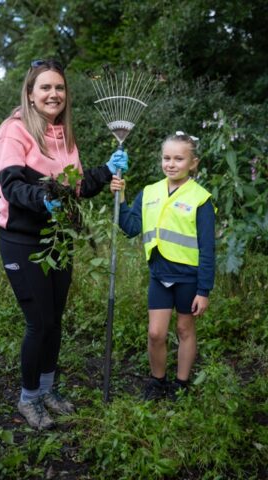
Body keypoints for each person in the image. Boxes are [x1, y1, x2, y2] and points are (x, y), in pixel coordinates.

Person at [0, 58, 128, 429]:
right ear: (31, 94)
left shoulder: (63, 135)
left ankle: (48, 390)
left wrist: (107, 170)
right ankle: (28, 399)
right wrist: (41, 200)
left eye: (60, 88)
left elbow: (77, 187)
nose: (54, 94)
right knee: (39, 322)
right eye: (46, 88)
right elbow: (12, 185)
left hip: (58, 240)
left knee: (55, 322)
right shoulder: (12, 133)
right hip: (22, 240)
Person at [110, 132, 215, 401]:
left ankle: (181, 384)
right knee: (156, 333)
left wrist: (203, 290)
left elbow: (207, 249)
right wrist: (120, 199)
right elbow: (132, 227)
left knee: (184, 330)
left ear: (193, 163)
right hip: (159, 274)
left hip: (188, 278)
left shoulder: (200, 198)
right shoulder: (149, 193)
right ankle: (158, 382)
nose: (171, 163)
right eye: (166, 158)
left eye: (179, 159)